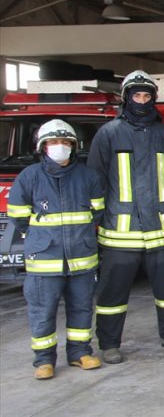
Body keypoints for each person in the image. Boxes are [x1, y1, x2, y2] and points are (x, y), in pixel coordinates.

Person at [89, 71, 164, 364]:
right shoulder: (109, 133)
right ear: (126, 98)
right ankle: (109, 344)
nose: (142, 101)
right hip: (120, 230)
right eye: (137, 96)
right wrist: (99, 216)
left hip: (156, 227)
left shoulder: (160, 132)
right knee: (112, 293)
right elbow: (96, 178)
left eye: (146, 96)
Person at [7, 120, 104, 379]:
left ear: (73, 146)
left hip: (81, 258)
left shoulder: (88, 176)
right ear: (43, 147)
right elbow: (18, 215)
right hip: (44, 260)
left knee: (82, 307)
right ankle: (44, 360)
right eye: (53, 142)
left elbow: (97, 212)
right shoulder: (29, 177)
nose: (59, 147)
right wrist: (40, 236)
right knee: (42, 311)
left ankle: (80, 353)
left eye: (64, 142)